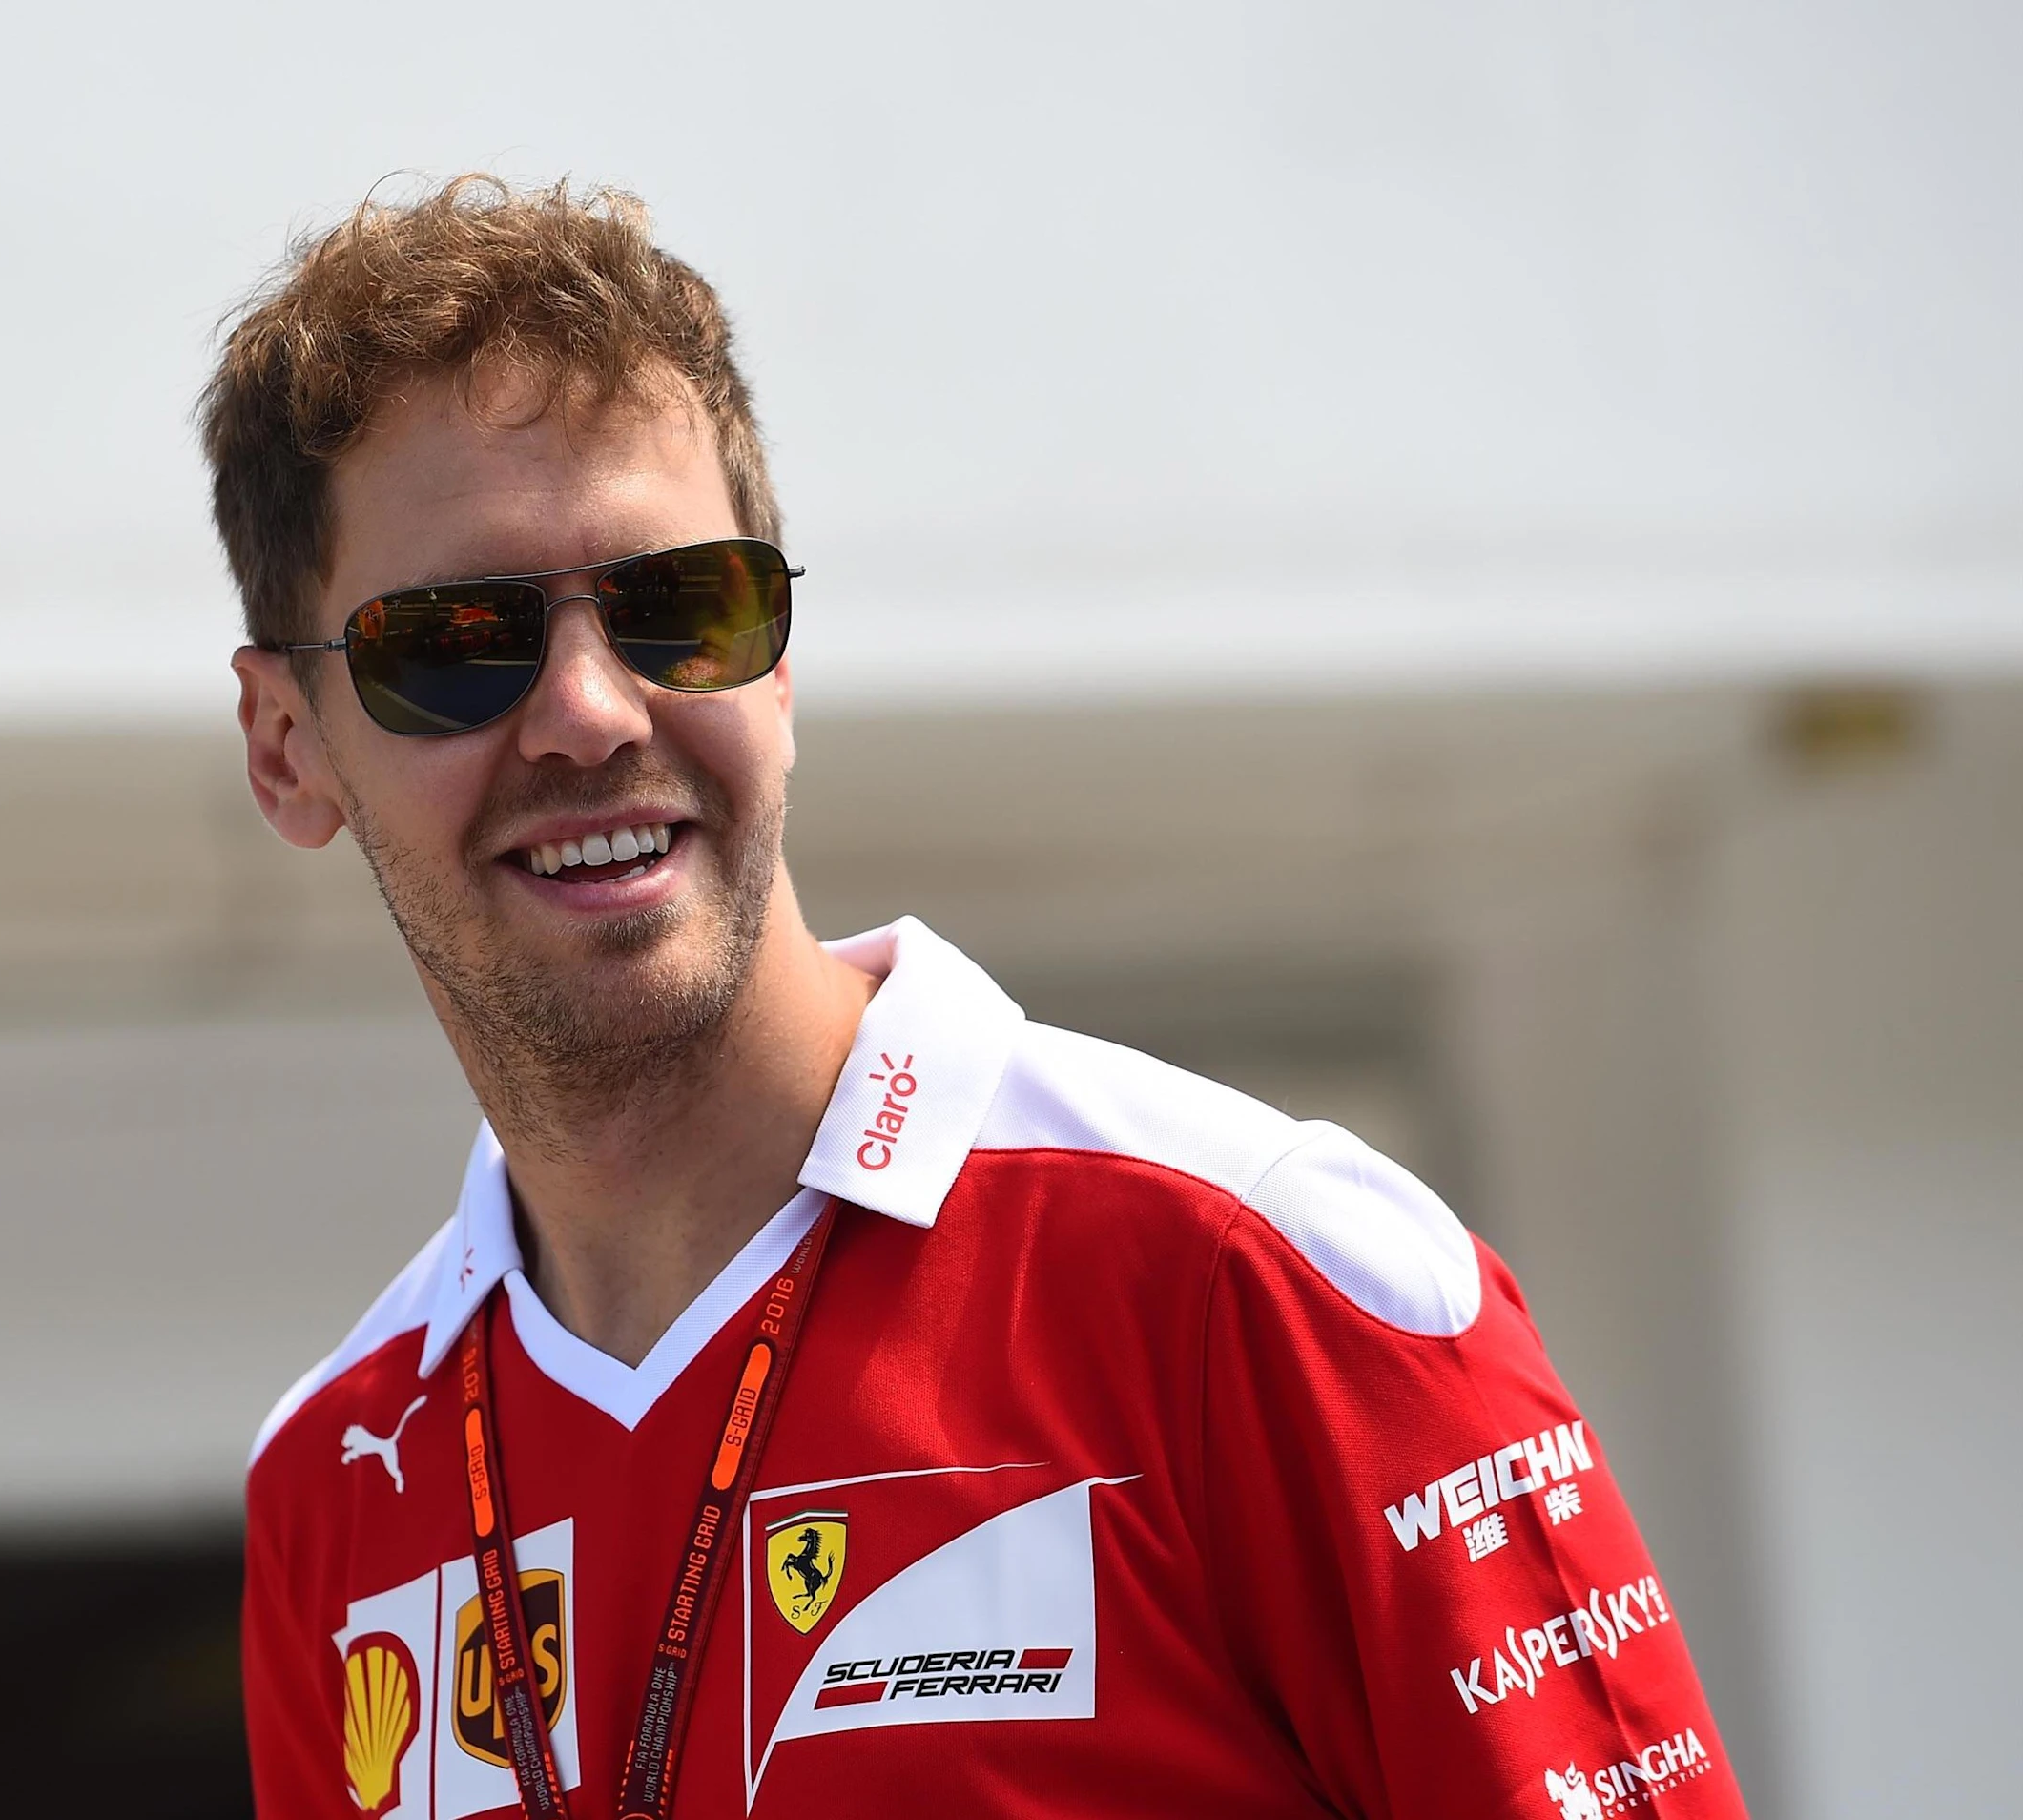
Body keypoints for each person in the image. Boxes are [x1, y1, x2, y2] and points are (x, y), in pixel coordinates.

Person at [211, 176, 1740, 1820]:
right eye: (454, 642)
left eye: (681, 609)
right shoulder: (338, 1479)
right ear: (289, 746)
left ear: (780, 663)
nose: (590, 711)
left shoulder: (1253, 1272)